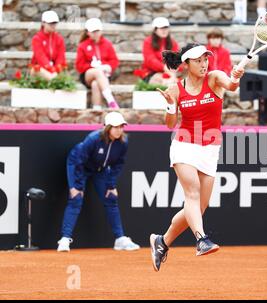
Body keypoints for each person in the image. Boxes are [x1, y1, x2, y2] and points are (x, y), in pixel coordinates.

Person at [149, 44, 245, 272]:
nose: (204, 64)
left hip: (210, 149)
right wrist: (171, 106)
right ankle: (201, 240)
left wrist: (236, 77)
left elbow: (230, 85)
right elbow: (170, 125)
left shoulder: (214, 78)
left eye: (205, 60)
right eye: (198, 61)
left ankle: (161, 241)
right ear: (187, 64)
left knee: (199, 208)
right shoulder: (176, 88)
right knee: (191, 194)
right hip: (184, 146)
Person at [57, 112, 140, 252]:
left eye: (121, 126)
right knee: (76, 199)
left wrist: (111, 185)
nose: (119, 130)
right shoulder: (93, 139)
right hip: (79, 166)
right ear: (107, 127)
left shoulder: (123, 142)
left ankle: (120, 239)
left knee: (111, 198)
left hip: (99, 170)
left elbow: (118, 165)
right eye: (116, 127)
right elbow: (78, 161)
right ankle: (65, 239)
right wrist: (76, 185)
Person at [75, 18, 120, 110]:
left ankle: (97, 110)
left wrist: (107, 66)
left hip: (104, 75)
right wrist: (92, 66)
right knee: (97, 72)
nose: (95, 33)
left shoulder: (107, 44)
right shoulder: (82, 46)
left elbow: (114, 61)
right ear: (88, 32)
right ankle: (110, 99)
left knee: (95, 84)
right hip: (88, 74)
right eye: (93, 31)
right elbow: (79, 66)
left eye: (97, 31)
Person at [141, 17, 179, 86]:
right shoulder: (148, 42)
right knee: (163, 81)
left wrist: (174, 67)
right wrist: (164, 67)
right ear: (155, 30)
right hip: (151, 72)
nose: (164, 30)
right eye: (161, 28)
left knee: (173, 82)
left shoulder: (173, 43)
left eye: (166, 28)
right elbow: (150, 60)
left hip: (169, 72)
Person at [30, 11, 67, 80]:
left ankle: (53, 79)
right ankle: (53, 79)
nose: (53, 25)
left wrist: (56, 69)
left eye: (55, 23)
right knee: (37, 70)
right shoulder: (37, 38)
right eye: (50, 23)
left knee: (60, 74)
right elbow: (40, 57)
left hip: (55, 71)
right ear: (43, 23)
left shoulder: (59, 39)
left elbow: (61, 57)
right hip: (41, 70)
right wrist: (51, 70)